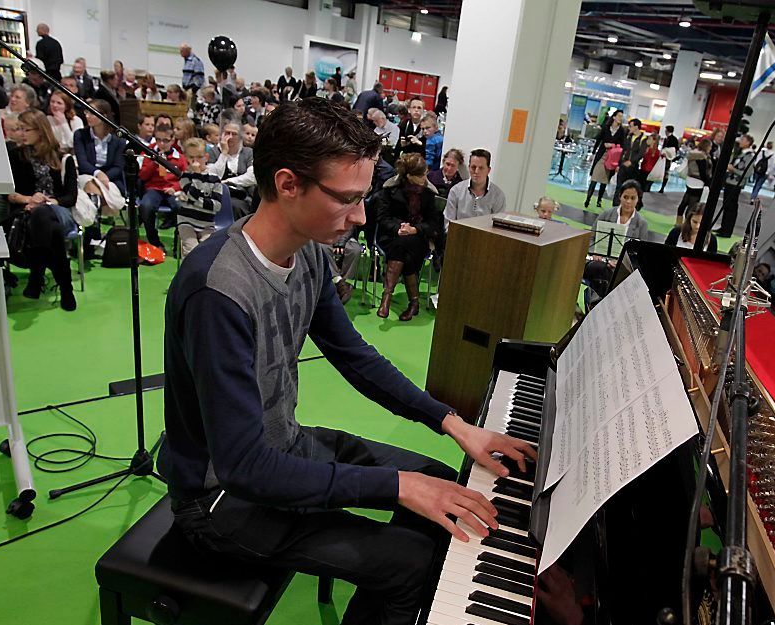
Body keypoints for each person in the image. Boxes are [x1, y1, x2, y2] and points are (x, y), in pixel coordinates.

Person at [159, 98, 533, 625]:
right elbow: (244, 469)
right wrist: (398, 488)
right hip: (220, 500)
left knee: (441, 481)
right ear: (288, 184)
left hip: (280, 449)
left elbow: (354, 356)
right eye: (348, 200)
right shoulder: (216, 292)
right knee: (413, 561)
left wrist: (453, 424)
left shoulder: (307, 250)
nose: (360, 217)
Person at [6, 109, 78, 311]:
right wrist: (30, 199)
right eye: (18, 129)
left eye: (25, 129)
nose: (21, 133)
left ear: (40, 130)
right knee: (51, 230)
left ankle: (36, 276)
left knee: (44, 214)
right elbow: (8, 193)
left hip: (57, 210)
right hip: (26, 213)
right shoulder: (15, 156)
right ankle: (66, 289)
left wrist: (47, 202)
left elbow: (71, 197)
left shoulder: (63, 158)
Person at [373, 153, 443, 321]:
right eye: (421, 175)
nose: (425, 178)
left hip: (419, 237)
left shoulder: (428, 193)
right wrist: (399, 228)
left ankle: (387, 296)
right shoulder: (390, 190)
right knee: (403, 250)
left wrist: (414, 229)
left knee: (403, 246)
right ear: (410, 176)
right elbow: (382, 219)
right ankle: (414, 303)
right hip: (392, 236)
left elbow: (434, 223)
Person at [584, 181, 651, 303]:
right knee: (597, 268)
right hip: (600, 260)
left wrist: (621, 262)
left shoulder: (642, 223)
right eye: (625, 197)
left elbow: (641, 253)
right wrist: (595, 252)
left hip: (622, 265)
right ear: (620, 196)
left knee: (616, 276)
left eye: (632, 198)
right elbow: (591, 237)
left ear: (638, 199)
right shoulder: (606, 214)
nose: (628, 201)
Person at [138, 123, 188, 249]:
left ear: (172, 140)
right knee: (146, 206)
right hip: (154, 189)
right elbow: (143, 176)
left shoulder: (179, 157)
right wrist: (154, 162)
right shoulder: (149, 153)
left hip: (172, 189)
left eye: (165, 140)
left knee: (181, 207)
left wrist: (175, 188)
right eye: (158, 139)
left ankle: (178, 242)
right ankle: (154, 242)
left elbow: (185, 178)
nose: (161, 143)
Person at [176, 137, 226, 259]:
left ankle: (204, 278)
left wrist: (192, 201)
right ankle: (188, 277)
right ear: (186, 158)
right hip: (186, 221)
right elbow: (193, 194)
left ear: (206, 157)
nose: (195, 161)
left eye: (199, 157)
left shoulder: (214, 178)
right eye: (191, 157)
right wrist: (197, 175)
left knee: (208, 252)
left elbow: (217, 206)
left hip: (207, 224)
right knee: (191, 252)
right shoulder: (185, 177)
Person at [73, 98, 127, 195]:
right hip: (89, 174)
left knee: (112, 189)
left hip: (111, 177)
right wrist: (98, 174)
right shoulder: (80, 135)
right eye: (86, 112)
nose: (87, 116)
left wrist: (104, 177)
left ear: (104, 116)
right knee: (91, 186)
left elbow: (118, 167)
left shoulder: (119, 140)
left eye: (92, 113)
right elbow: (82, 163)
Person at [444, 149, 506, 229]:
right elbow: (449, 224)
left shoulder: (498, 196)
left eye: (481, 168)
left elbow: (498, 228)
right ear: (469, 167)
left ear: (488, 170)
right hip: (459, 237)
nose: (476, 171)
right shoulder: (456, 191)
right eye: (473, 167)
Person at [206, 121, 256, 218]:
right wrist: (224, 153)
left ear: (240, 137)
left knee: (239, 205)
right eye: (227, 133)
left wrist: (228, 181)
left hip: (241, 194)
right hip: (218, 194)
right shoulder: (213, 152)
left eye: (234, 134)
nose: (230, 137)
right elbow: (213, 176)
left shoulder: (248, 152)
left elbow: (252, 177)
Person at [715, 133, 755, 238]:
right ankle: (724, 227)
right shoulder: (739, 153)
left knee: (731, 207)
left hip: (736, 183)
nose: (740, 141)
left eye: (743, 140)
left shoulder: (749, 156)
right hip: (730, 181)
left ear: (748, 143)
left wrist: (734, 170)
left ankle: (727, 230)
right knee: (726, 205)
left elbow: (748, 173)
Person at [584, 109, 625, 209]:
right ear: (614, 117)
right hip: (601, 156)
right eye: (619, 116)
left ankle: (599, 200)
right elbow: (598, 140)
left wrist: (613, 145)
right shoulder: (606, 128)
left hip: (612, 158)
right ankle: (588, 199)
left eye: (622, 116)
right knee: (594, 178)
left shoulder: (622, 131)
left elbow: (622, 145)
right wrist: (593, 153)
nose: (620, 118)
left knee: (604, 180)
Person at [676, 138, 713, 226]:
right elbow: (703, 172)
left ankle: (678, 222)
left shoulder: (692, 154)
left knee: (684, 202)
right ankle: (687, 225)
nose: (710, 149)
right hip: (698, 182)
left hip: (690, 180)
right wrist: (708, 183)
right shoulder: (702, 157)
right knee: (692, 206)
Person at [614, 118, 646, 208]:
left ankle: (633, 206)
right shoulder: (628, 137)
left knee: (631, 188)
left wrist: (632, 162)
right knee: (619, 187)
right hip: (623, 166)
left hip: (633, 168)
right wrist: (619, 164)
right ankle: (615, 206)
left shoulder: (643, 139)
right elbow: (623, 151)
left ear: (636, 127)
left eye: (631, 126)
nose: (629, 128)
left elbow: (641, 153)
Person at [658, 125, 680, 193]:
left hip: (668, 159)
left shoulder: (673, 139)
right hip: (663, 157)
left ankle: (662, 187)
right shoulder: (666, 138)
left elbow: (675, 149)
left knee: (666, 172)